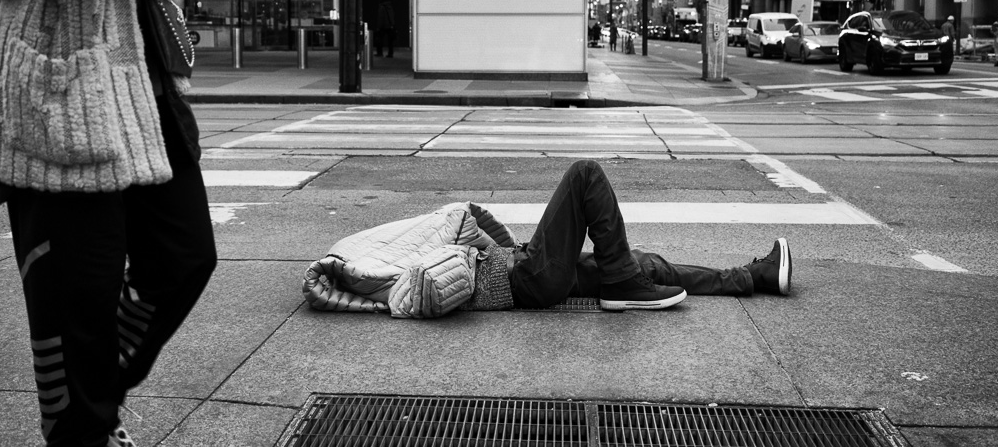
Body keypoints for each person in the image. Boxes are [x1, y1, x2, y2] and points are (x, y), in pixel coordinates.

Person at [0, 0, 259, 445]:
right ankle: (84, 425)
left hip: (145, 79)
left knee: (183, 258)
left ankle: (91, 403)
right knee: (75, 305)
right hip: (56, 88)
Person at [306, 160, 792, 317]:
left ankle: (752, 277)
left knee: (649, 263)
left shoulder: (409, 246)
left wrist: (479, 230)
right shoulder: (374, 269)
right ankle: (623, 283)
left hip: (524, 264)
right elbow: (421, 288)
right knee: (585, 175)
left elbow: (470, 229)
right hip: (525, 280)